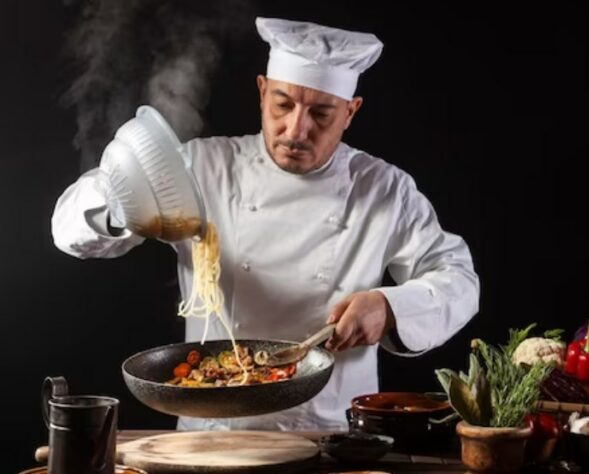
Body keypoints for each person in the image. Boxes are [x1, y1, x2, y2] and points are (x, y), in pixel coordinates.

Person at [51, 17, 480, 431]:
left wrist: (390, 307)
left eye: (321, 114)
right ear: (262, 91)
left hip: (332, 432)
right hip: (213, 431)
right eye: (283, 104)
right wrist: (120, 202)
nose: (296, 129)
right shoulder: (201, 167)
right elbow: (70, 228)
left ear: (351, 111)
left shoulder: (384, 189)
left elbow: (459, 281)